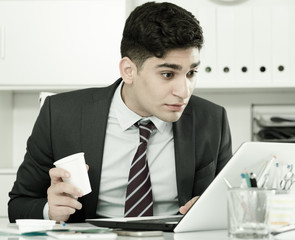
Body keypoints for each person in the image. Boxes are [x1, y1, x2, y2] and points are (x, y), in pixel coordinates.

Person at [8, 1, 232, 223]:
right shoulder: (59, 114)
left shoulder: (213, 119)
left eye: (192, 72)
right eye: (167, 74)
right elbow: (18, 204)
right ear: (128, 70)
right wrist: (50, 210)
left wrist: (217, 209)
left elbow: (229, 203)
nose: (184, 91)